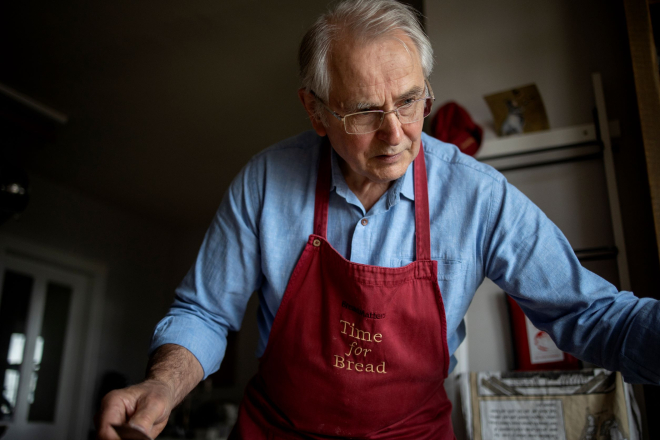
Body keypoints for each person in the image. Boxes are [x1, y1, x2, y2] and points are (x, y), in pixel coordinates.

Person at [95, 0, 660, 439]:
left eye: (411, 102)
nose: (396, 134)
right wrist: (162, 387)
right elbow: (205, 312)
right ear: (316, 111)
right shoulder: (266, 182)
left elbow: (593, 315)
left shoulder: (478, 197)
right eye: (365, 110)